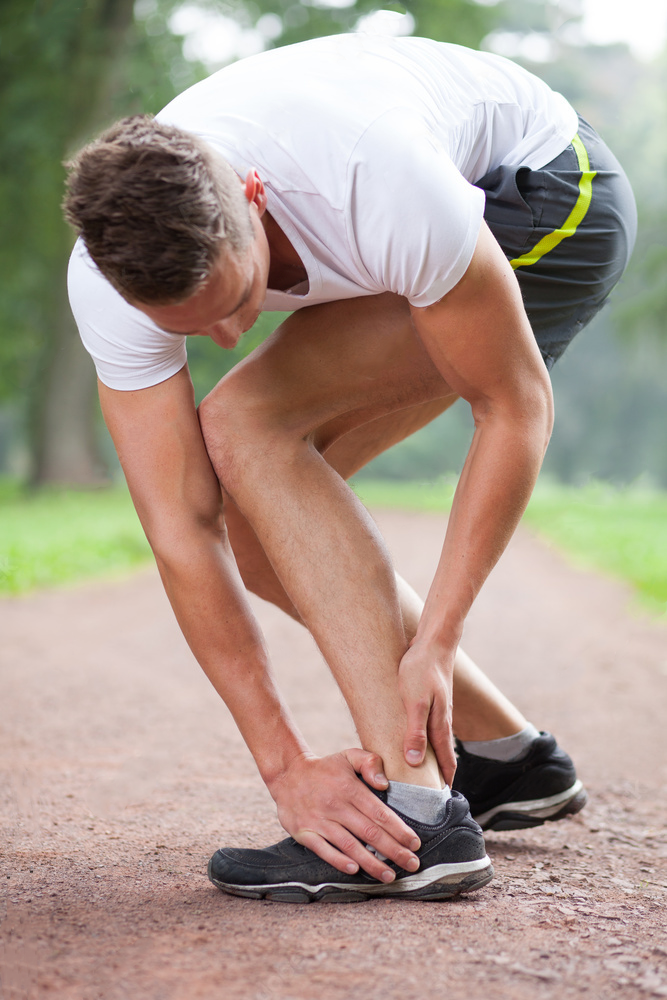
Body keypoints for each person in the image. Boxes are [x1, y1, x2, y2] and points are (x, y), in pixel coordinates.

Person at [64, 32, 636, 903]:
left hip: (547, 195)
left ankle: (421, 818)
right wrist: (285, 768)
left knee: (247, 426)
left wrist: (437, 638)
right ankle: (508, 762)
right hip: (421, 221)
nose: (228, 339)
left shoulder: (376, 180)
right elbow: (183, 532)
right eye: (192, 328)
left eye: (238, 301)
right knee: (254, 521)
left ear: (253, 200)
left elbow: (511, 407)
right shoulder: (109, 282)